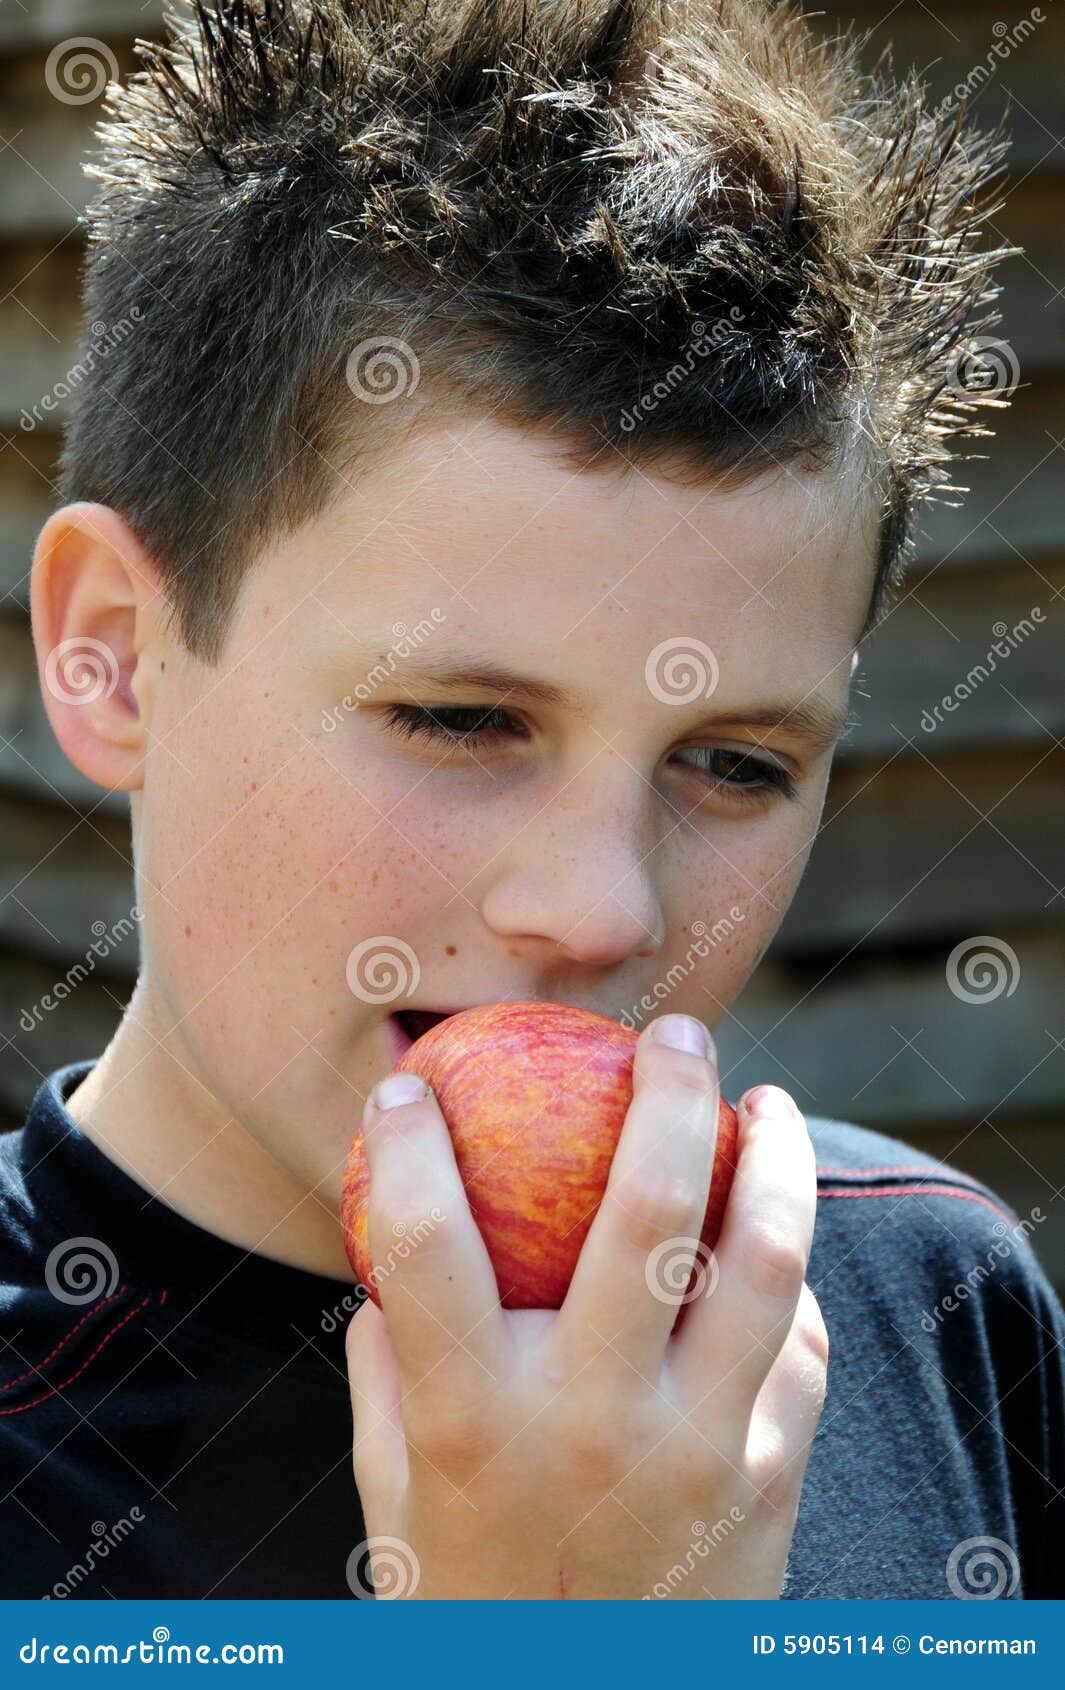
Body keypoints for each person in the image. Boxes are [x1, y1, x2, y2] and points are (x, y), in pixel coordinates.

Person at [2, 0, 1061, 1599]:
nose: (602, 909)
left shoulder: (933, 1304)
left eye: (733, 763)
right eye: (457, 715)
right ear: (113, 657)